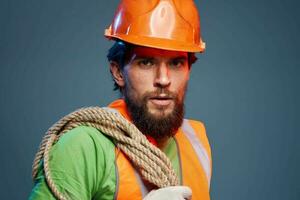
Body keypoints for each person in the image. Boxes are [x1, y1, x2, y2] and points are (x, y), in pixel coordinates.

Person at [29, 0, 212, 199]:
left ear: (189, 70)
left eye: (176, 63)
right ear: (118, 72)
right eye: (146, 62)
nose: (163, 79)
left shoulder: (196, 142)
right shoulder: (83, 147)